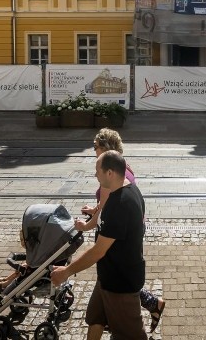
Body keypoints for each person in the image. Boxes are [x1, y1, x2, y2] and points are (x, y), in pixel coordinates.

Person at [51, 150, 148, 340]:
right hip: (107, 278)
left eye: (98, 170)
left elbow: (98, 251)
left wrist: (67, 271)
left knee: (132, 336)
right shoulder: (125, 192)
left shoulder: (121, 203)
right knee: (95, 319)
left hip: (120, 284)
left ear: (110, 173)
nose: (95, 175)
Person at [76, 129, 165, 333]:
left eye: (95, 146)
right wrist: (96, 210)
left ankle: (153, 303)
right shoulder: (124, 169)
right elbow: (105, 208)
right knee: (96, 316)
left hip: (116, 262)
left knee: (124, 311)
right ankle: (153, 303)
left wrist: (86, 225)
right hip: (115, 263)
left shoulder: (114, 186)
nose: (94, 150)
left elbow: (107, 215)